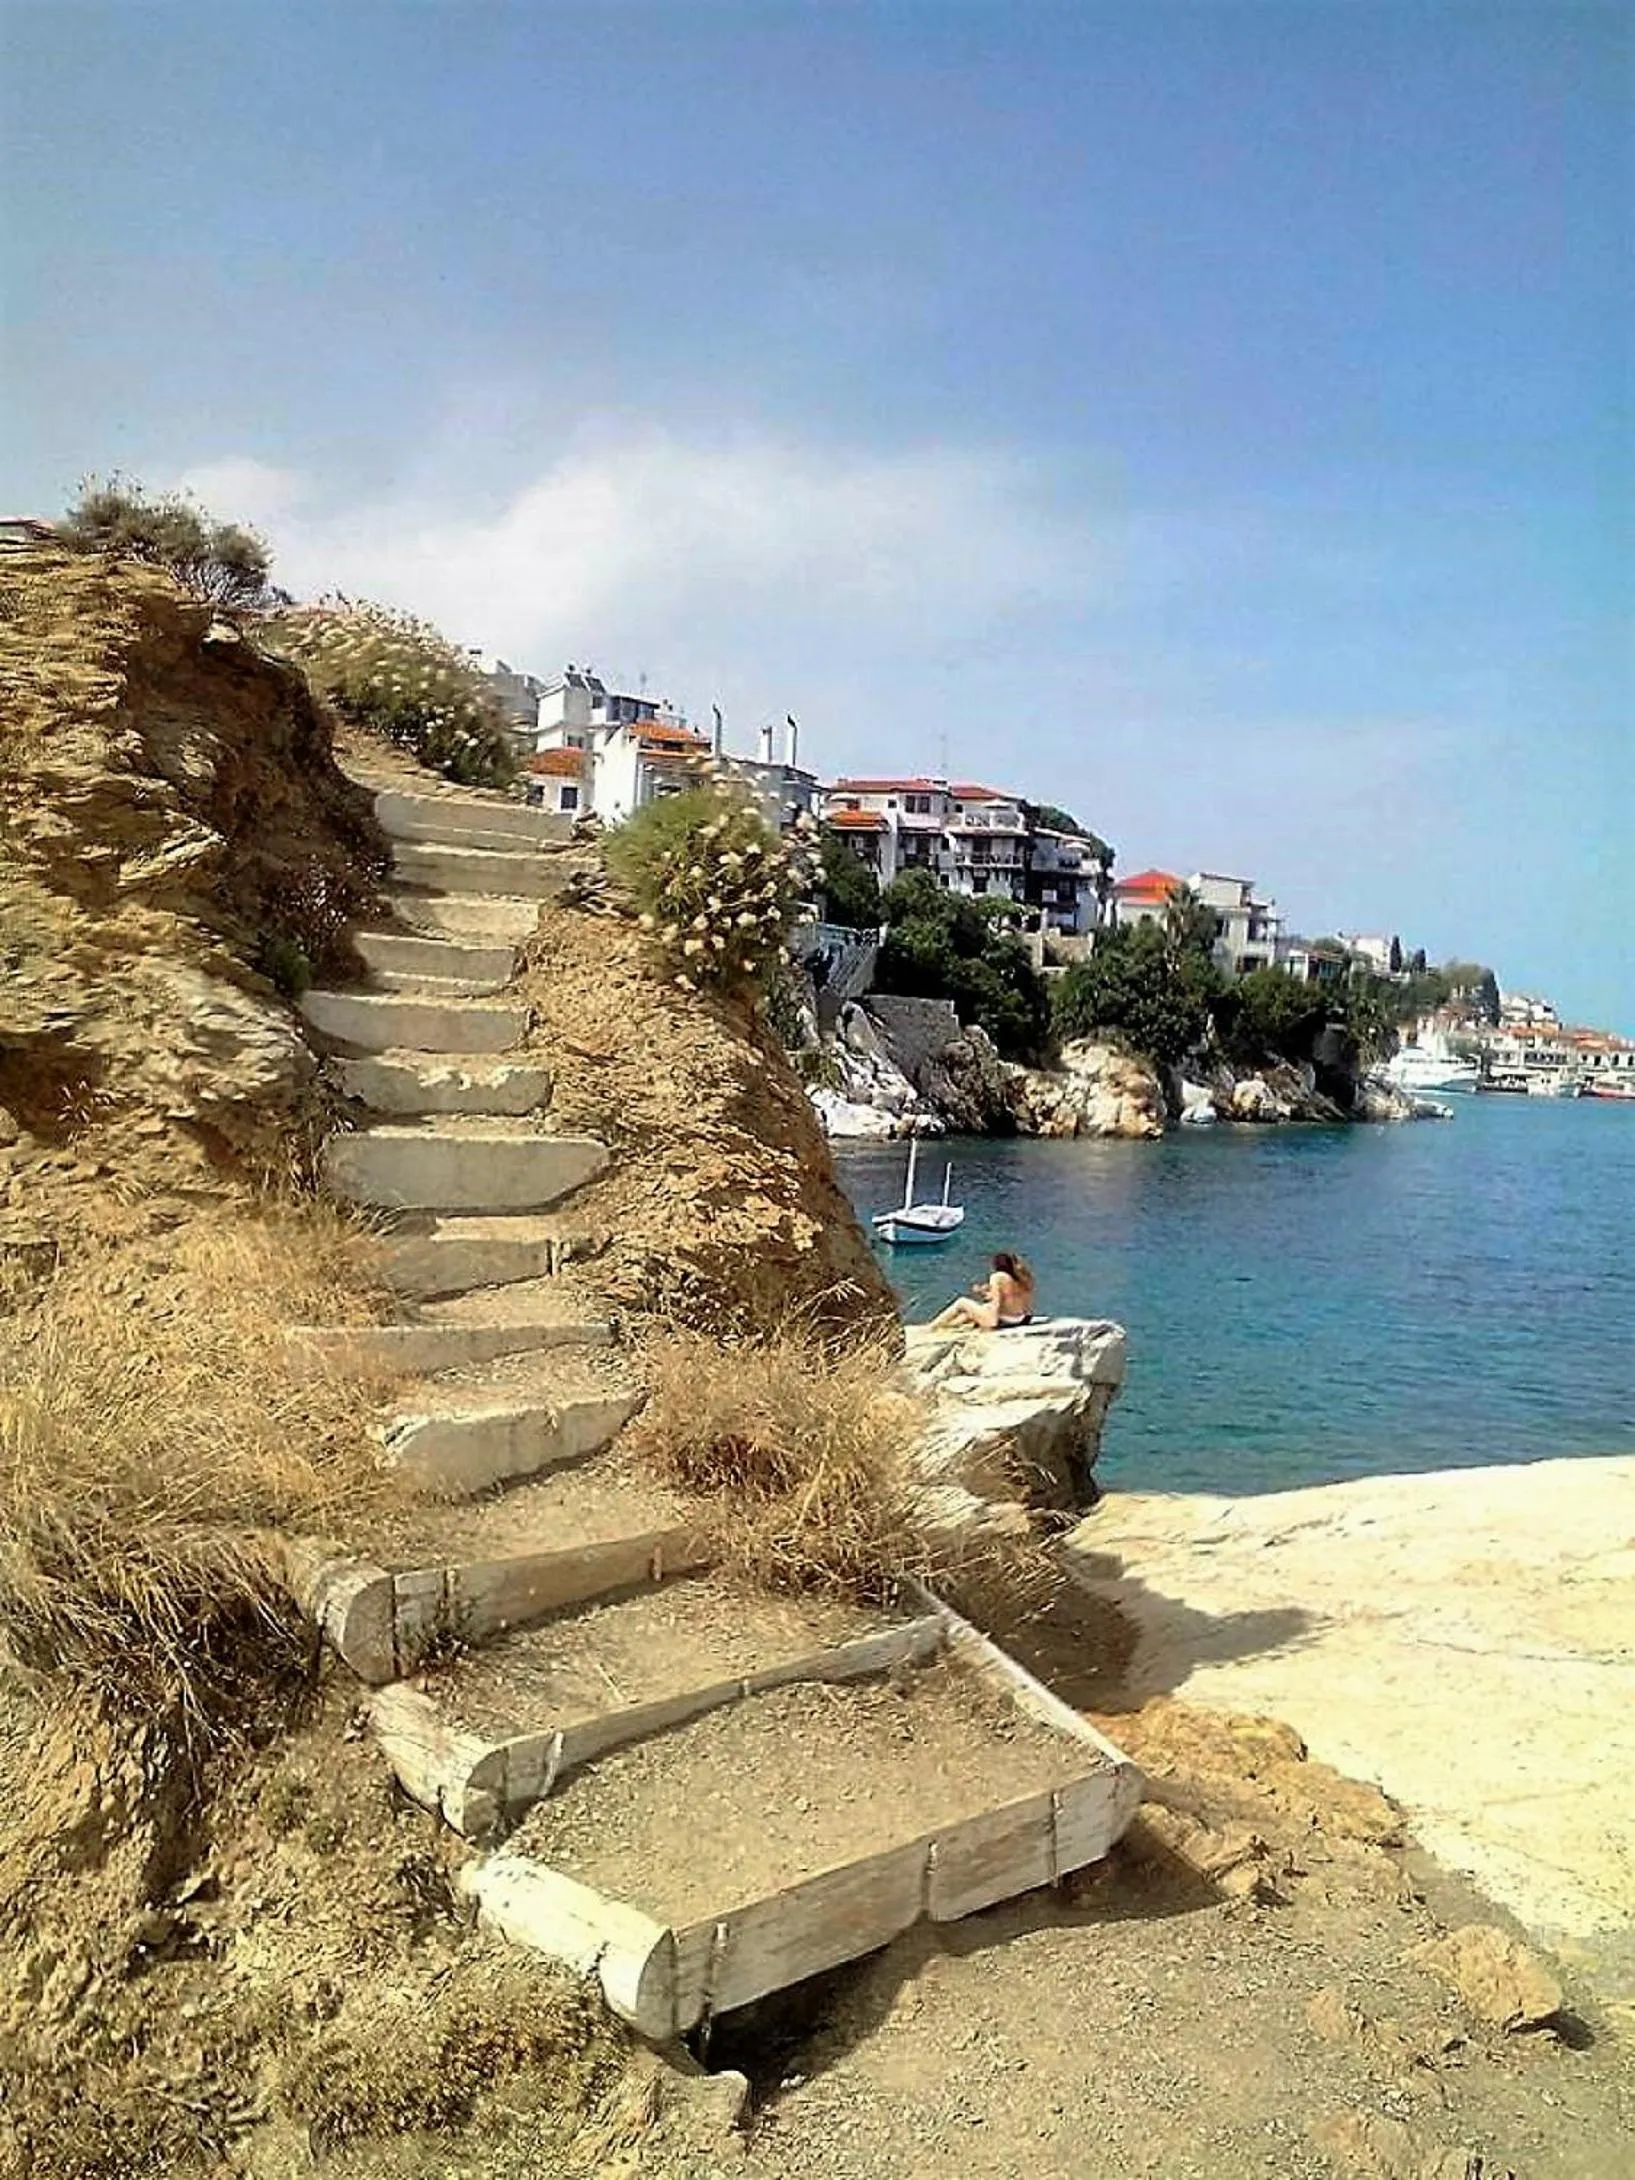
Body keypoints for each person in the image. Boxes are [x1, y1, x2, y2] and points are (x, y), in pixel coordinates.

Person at [929, 1250, 1036, 1332]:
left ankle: (931, 1327)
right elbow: (1007, 1299)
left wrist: (991, 1322)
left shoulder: (997, 1277)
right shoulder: (1022, 1279)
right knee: (978, 1310)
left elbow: (996, 1303)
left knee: (962, 1302)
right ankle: (948, 1327)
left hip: (1005, 1321)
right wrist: (983, 1293)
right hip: (1022, 1319)